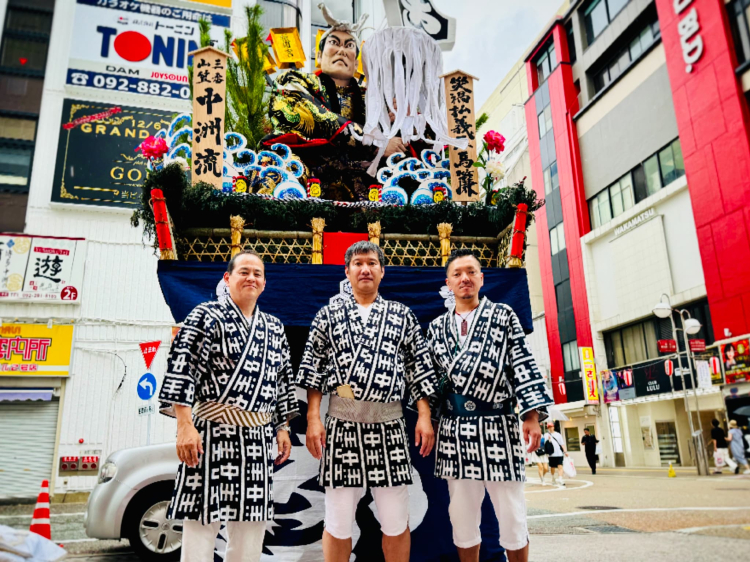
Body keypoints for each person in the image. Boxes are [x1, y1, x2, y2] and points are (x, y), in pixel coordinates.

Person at [297, 241, 437, 562]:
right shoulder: (328, 314)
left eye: (372, 263)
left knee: (395, 521)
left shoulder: (402, 315)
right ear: (346, 271)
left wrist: (425, 416)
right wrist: (314, 418)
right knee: (337, 522)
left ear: (382, 271)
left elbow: (419, 369)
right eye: (358, 263)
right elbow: (313, 368)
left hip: (388, 426)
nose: (365, 269)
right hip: (343, 426)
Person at [158, 251, 299, 562]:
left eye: (257, 274)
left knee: (251, 524)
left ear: (264, 283)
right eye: (244, 272)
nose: (251, 278)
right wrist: (184, 424)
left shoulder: (274, 328)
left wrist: (283, 427)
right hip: (211, 433)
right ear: (228, 278)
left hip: (258, 437)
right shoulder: (204, 315)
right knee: (201, 519)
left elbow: (282, 381)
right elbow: (181, 367)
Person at [426, 249, 553, 562]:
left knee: (512, 514)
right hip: (455, 430)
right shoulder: (436, 329)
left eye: (471, 272)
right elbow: (427, 380)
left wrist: (532, 415)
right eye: (457, 274)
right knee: (462, 515)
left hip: (499, 425)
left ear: (481, 278)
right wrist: (425, 417)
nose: (465, 278)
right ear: (448, 283)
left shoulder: (503, 316)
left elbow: (523, 364)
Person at [263, 4, 406, 201]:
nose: (342, 50)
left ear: (356, 63)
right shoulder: (294, 82)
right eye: (334, 42)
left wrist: (402, 117)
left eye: (349, 45)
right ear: (319, 56)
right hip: (306, 172)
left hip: (363, 180)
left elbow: (398, 141)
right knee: (276, 165)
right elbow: (312, 117)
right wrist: (377, 141)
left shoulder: (372, 99)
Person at [546, 421, 567, 486]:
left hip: (559, 453)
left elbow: (562, 444)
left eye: (551, 426)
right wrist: (548, 440)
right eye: (549, 427)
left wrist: (565, 452)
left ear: (553, 427)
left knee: (560, 466)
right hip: (552, 454)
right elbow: (545, 445)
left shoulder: (558, 435)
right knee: (552, 467)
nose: (550, 428)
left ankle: (560, 479)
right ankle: (553, 478)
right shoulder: (546, 435)